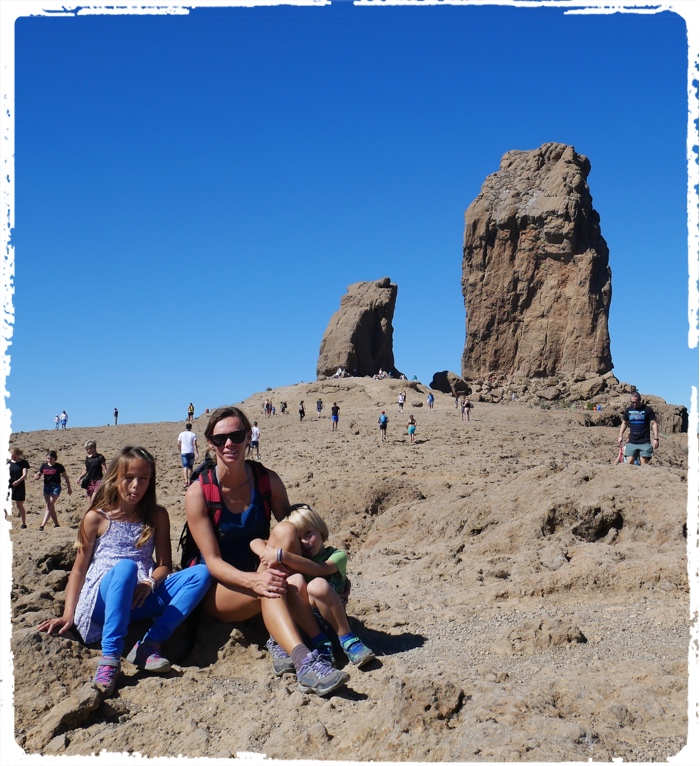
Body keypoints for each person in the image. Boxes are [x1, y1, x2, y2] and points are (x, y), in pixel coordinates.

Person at [185, 406, 349, 696]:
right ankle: (305, 661)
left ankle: (279, 637)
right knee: (271, 586)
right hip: (220, 587)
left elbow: (294, 536)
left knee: (285, 530)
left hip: (264, 572)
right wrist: (254, 581)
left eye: (236, 436)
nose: (229, 444)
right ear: (209, 442)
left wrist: (328, 568)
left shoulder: (266, 481)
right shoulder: (200, 492)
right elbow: (211, 561)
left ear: (249, 437)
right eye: (220, 438)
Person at [37, 446, 212, 698]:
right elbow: (78, 570)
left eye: (143, 479)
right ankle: (110, 657)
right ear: (115, 478)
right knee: (126, 568)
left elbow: (165, 564)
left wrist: (150, 582)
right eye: (128, 478)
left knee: (201, 573)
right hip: (103, 598)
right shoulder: (96, 517)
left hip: (140, 595)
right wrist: (68, 614)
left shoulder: (157, 515)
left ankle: (150, 643)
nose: (135, 486)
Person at [251, 503, 374, 668]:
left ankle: (349, 640)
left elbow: (318, 569)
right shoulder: (296, 557)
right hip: (306, 629)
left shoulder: (337, 555)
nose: (304, 542)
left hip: (334, 626)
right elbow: (255, 542)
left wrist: (281, 555)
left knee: (318, 585)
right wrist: (266, 553)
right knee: (294, 582)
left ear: (320, 529)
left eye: (308, 533)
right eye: (298, 538)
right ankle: (317, 642)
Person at [618, 391, 659, 465]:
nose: (634, 404)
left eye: (636, 402)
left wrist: (656, 439)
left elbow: (654, 423)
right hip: (632, 441)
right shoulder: (628, 410)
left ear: (640, 400)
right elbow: (624, 423)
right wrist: (620, 435)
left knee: (643, 462)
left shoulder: (647, 409)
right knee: (629, 461)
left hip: (644, 441)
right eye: (632, 402)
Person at [34, 450, 72, 530]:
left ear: (55, 458)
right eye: (47, 458)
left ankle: (42, 525)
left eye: (50, 458)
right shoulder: (44, 466)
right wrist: (36, 477)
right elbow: (39, 474)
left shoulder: (59, 466)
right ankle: (56, 524)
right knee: (51, 507)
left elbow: (66, 477)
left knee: (48, 506)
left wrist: (69, 488)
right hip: (47, 487)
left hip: (56, 487)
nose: (49, 460)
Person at [8, 447, 30, 528]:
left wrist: (18, 481)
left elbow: (24, 475)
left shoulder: (24, 463)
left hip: (19, 485)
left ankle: (23, 524)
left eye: (14, 456)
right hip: (8, 485)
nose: (12, 457)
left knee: (19, 505)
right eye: (11, 456)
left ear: (18, 455)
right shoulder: (9, 462)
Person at [178, 423, 199, 488]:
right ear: (191, 427)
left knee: (185, 466)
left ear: (185, 427)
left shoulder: (181, 434)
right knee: (190, 467)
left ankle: (186, 481)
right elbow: (194, 444)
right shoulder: (193, 434)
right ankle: (189, 480)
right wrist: (197, 453)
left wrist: (180, 450)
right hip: (191, 452)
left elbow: (178, 443)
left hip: (184, 452)